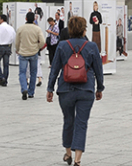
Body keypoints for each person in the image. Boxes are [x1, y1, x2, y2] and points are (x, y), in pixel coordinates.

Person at [47, 16, 104, 166]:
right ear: (84, 29)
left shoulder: (62, 45)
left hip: (65, 89)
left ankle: (68, 153)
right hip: (86, 89)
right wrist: (100, 88)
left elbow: (55, 69)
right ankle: (78, 159)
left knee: (68, 120)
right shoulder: (92, 46)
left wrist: (50, 88)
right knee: (81, 123)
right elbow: (99, 70)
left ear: (70, 30)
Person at [15, 12, 45, 100]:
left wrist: (18, 49)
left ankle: (24, 88)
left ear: (26, 18)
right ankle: (31, 92)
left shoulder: (20, 29)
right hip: (33, 52)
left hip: (23, 52)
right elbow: (42, 41)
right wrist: (38, 48)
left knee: (22, 72)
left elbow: (17, 42)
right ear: (34, 19)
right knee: (33, 73)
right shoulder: (37, 29)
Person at [0, 14, 16, 87]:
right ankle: (5, 80)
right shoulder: (11, 28)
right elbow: (14, 37)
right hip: (7, 47)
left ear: (2, 19)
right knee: (6, 65)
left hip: (0, 46)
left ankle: (1, 77)